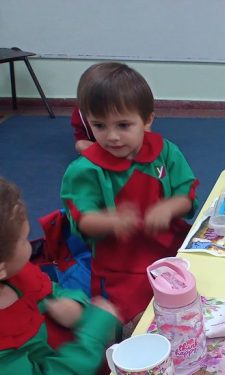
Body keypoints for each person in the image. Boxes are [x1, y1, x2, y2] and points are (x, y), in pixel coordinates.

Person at [0, 178, 121, 375]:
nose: (32, 245)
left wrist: (74, 305)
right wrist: (93, 333)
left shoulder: (14, 272)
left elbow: (50, 288)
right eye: (24, 239)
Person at [61, 62, 200, 325]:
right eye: (99, 126)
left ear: (147, 120)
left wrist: (169, 207)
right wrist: (110, 221)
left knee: (203, 297)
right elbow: (82, 220)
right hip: (121, 266)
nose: (112, 136)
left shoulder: (165, 151)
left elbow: (187, 195)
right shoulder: (84, 170)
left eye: (123, 125)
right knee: (146, 321)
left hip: (174, 250)